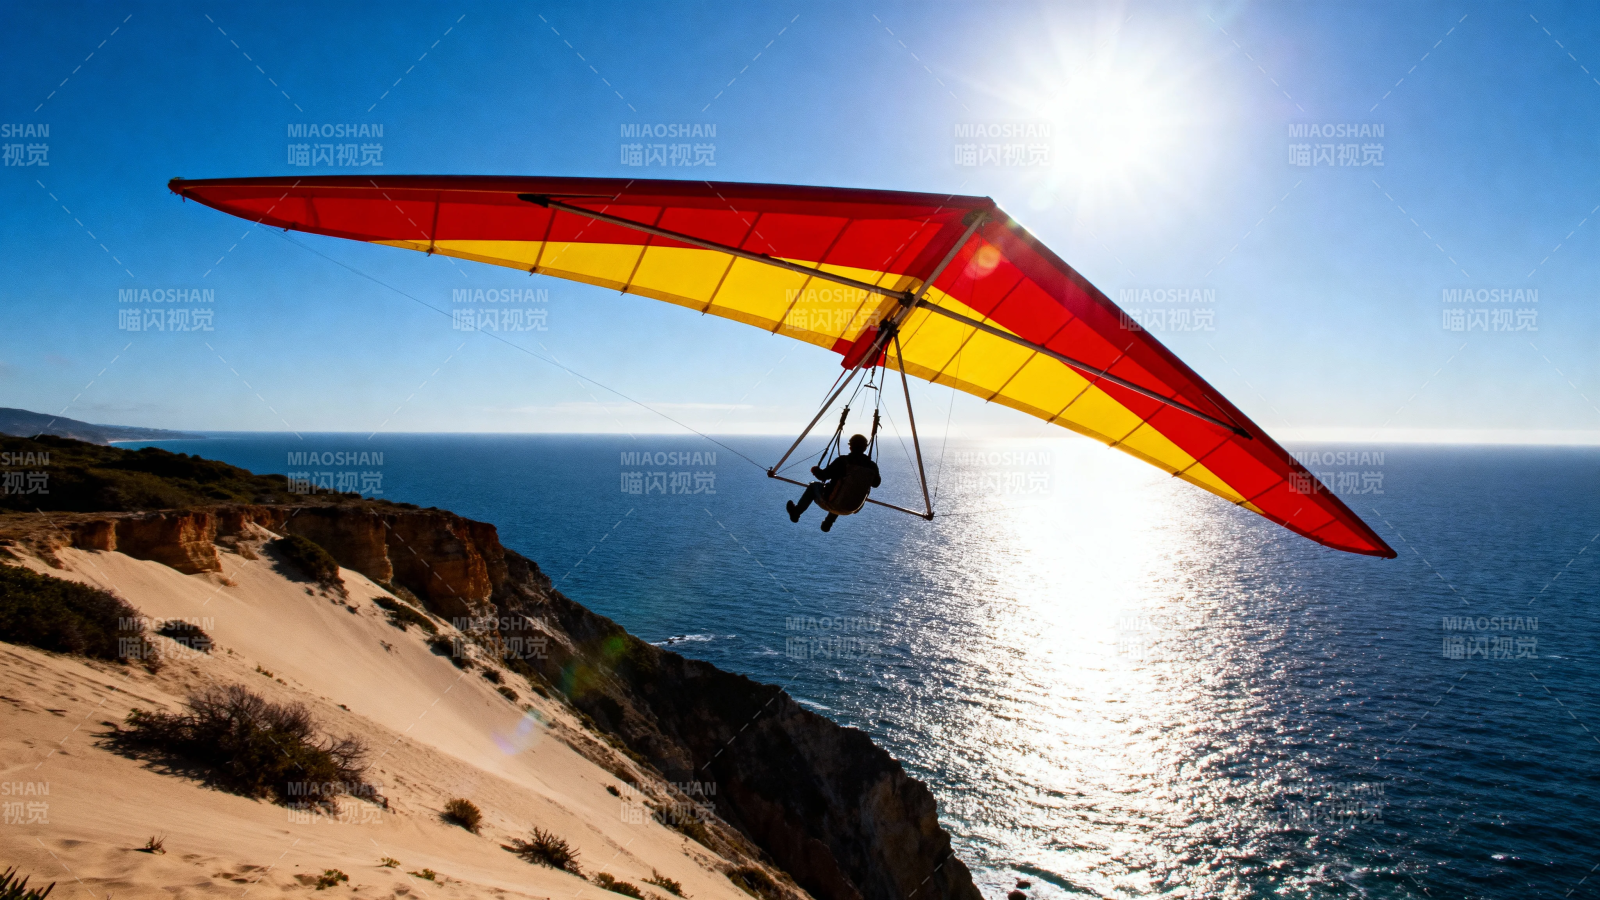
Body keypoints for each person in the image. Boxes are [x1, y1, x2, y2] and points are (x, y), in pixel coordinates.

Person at [786, 434, 881, 532]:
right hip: (853, 507)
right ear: (865, 447)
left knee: (814, 486)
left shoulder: (843, 461)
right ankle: (828, 523)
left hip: (834, 503)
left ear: (850, 447)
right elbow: (876, 484)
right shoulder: (872, 466)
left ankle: (796, 512)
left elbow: (823, 476)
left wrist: (815, 470)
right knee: (845, 492)